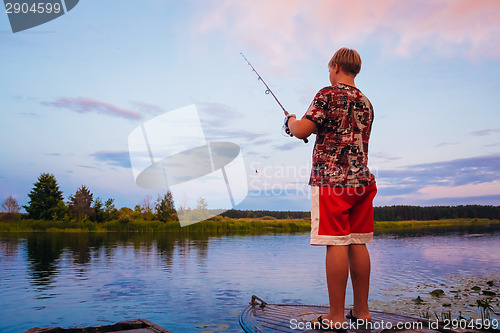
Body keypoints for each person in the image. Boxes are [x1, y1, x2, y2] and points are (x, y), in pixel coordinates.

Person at [285, 47, 377, 331]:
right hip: (361, 180)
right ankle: (361, 311)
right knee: (358, 240)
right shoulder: (366, 102)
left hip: (331, 181)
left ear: (336, 66)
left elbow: (302, 130)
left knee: (336, 242)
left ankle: (336, 317)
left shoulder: (327, 94)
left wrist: (290, 122)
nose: (329, 72)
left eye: (329, 68)